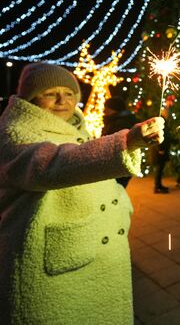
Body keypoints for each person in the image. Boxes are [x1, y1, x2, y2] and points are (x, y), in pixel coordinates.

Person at [0, 62, 165, 324]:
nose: (61, 100)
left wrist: (122, 205)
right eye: (49, 93)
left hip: (87, 250)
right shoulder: (14, 132)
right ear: (30, 99)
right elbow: (51, 164)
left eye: (68, 93)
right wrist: (125, 143)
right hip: (51, 265)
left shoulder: (76, 127)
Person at [102, 96, 139, 188]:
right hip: (121, 164)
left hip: (117, 165)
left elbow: (112, 145)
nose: (104, 110)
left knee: (115, 190)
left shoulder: (119, 123)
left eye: (106, 107)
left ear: (112, 109)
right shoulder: (118, 121)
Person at [150, 110, 173, 194]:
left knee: (160, 169)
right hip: (160, 151)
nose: (169, 115)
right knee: (159, 169)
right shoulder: (160, 122)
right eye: (167, 113)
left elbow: (166, 135)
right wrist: (160, 149)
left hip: (162, 149)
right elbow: (157, 136)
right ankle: (157, 187)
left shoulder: (164, 122)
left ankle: (159, 185)